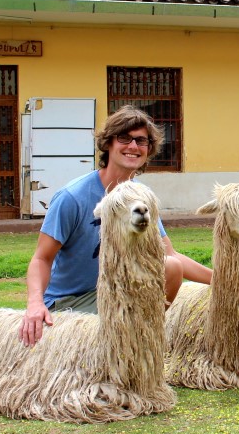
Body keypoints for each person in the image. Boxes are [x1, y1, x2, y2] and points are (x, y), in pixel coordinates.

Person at [19, 105, 212, 347]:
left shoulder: (141, 198)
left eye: (141, 141)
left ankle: (142, 343)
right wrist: (35, 303)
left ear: (148, 149)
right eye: (124, 138)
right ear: (108, 143)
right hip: (72, 300)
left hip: (115, 291)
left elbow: (170, 255)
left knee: (170, 267)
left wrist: (220, 281)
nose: (133, 146)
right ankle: (129, 342)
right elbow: (42, 258)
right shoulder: (73, 197)